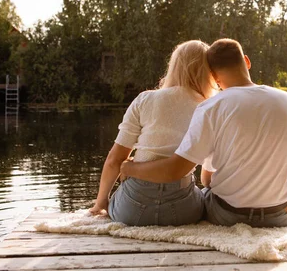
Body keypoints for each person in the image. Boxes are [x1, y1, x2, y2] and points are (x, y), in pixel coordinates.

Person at [121, 38, 287, 228]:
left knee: (201, 196)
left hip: (228, 215)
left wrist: (131, 168)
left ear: (212, 75)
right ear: (246, 61)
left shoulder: (211, 107)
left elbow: (186, 173)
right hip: (281, 214)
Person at [89, 40, 217, 226]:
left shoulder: (146, 100)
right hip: (182, 211)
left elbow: (114, 159)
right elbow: (208, 173)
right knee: (203, 194)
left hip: (131, 209)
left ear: (174, 67)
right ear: (208, 73)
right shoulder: (210, 108)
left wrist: (101, 203)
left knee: (118, 192)